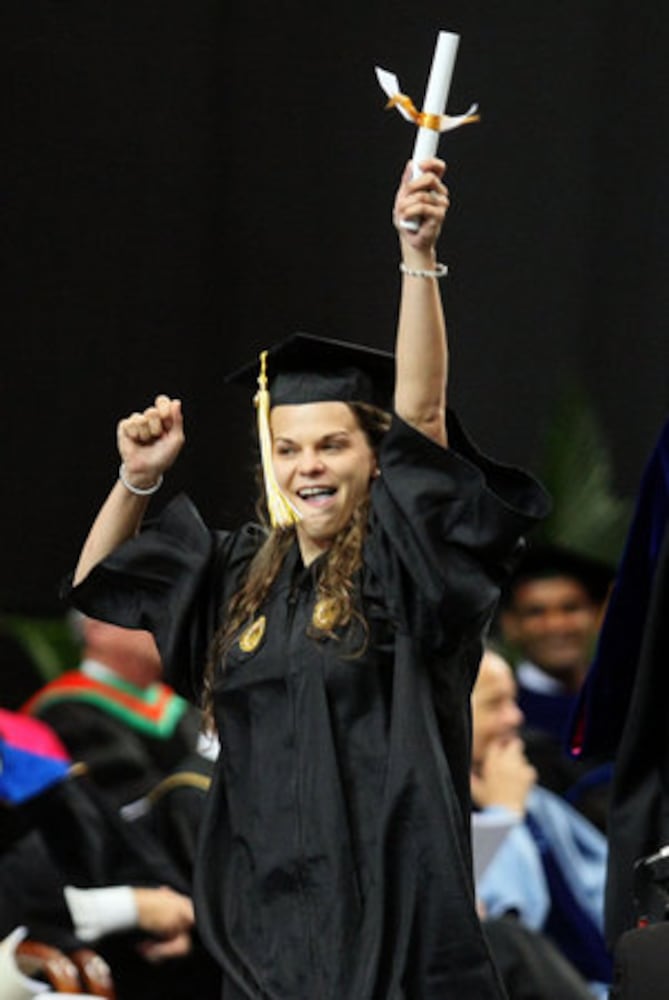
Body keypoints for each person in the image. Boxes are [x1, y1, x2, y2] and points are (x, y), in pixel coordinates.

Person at [65, 157, 549, 999]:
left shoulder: (409, 569)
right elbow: (102, 581)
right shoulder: (242, 570)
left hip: (387, 916)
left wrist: (417, 254)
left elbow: (424, 420)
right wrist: (136, 478)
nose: (306, 468)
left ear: (376, 456)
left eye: (332, 445)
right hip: (261, 921)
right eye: (287, 448)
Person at [471, 648, 611, 995]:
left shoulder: (529, 794)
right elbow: (508, 928)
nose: (515, 717)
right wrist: (503, 815)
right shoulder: (427, 813)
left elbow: (605, 883)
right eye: (495, 704)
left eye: (513, 700)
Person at [22, 614, 209, 811]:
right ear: (97, 629)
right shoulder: (65, 713)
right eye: (147, 619)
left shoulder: (183, 707)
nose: (169, 630)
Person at [497, 544, 614, 827]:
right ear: (510, 625)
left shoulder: (629, 703)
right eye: (537, 612)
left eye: (570, 608)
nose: (557, 625)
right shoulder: (503, 716)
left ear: (598, 615)